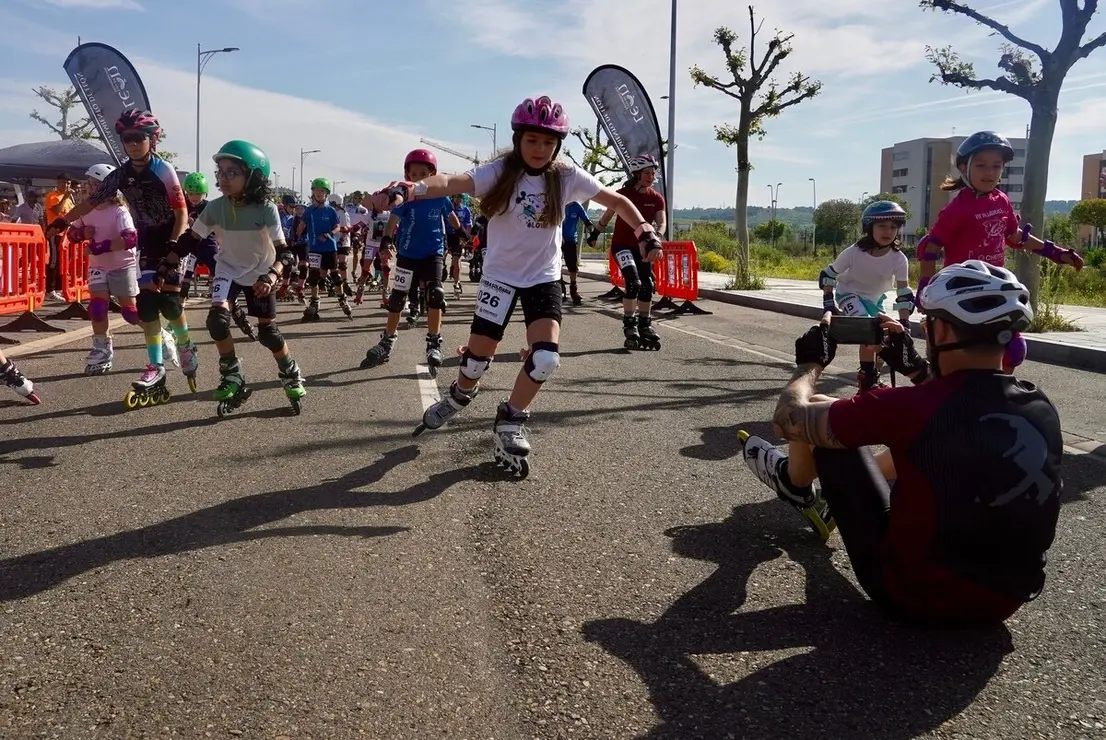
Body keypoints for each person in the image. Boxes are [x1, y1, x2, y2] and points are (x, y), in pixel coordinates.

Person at [742, 260, 1063, 627]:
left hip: (912, 595)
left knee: (817, 412)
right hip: (1005, 601)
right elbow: (955, 410)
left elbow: (788, 420)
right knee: (927, 444)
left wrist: (810, 364)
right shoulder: (1040, 406)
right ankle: (798, 485)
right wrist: (914, 370)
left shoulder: (909, 408)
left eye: (927, 325)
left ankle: (795, 484)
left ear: (940, 332)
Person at [371, 94, 664, 477]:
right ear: (518, 139)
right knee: (475, 362)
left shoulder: (566, 175)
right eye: (532, 141)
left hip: (543, 278)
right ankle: (461, 394)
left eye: (548, 142)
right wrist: (414, 189)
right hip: (500, 278)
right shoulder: (501, 172)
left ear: (558, 144)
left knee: (545, 358)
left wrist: (644, 230)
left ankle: (510, 419)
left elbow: (618, 201)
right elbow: (452, 181)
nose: (540, 149)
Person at [50, 110, 197, 403]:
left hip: (173, 238)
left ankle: (185, 343)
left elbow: (181, 214)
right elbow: (91, 203)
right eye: (126, 139)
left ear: (153, 139)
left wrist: (173, 244)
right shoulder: (121, 174)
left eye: (138, 138)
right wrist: (64, 221)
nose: (131, 144)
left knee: (168, 303)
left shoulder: (163, 170)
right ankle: (155, 365)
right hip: (147, 242)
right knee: (145, 305)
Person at [917, 131, 1083, 372]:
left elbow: (1015, 237)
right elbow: (930, 247)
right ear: (964, 168)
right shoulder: (957, 208)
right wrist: (925, 286)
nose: (990, 172)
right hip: (962, 291)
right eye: (982, 165)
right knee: (958, 354)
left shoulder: (1001, 200)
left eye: (997, 166)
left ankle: (999, 393)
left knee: (1013, 350)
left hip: (995, 288)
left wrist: (1056, 253)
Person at [181, 140, 306, 416]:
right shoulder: (213, 207)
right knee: (216, 321)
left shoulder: (266, 207)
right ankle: (232, 374)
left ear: (253, 177)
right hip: (227, 269)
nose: (223, 179)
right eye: (220, 172)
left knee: (268, 334)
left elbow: (285, 253)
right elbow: (191, 239)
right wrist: (166, 264)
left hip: (261, 272)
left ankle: (289, 370)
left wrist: (273, 275)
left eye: (231, 173)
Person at [361, 149, 465, 374]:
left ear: (432, 175)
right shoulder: (406, 199)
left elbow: (451, 216)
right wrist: (387, 240)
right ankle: (387, 341)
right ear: (407, 176)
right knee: (397, 299)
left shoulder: (440, 197)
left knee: (435, 294)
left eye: (423, 173)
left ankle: (434, 341)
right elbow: (393, 220)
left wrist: (463, 232)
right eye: (413, 174)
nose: (417, 178)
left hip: (432, 253)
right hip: (407, 253)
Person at [819, 200, 913, 392]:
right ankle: (866, 379)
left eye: (893, 227)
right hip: (848, 294)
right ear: (869, 228)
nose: (888, 231)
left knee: (883, 337)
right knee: (868, 329)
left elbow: (903, 293)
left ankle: (874, 376)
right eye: (882, 226)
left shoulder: (899, 259)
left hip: (874, 299)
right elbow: (828, 275)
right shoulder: (854, 253)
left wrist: (905, 322)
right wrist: (828, 303)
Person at [587, 153, 667, 350]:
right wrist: (595, 233)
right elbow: (607, 216)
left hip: (643, 247)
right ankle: (630, 325)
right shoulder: (623, 194)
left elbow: (662, 222)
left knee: (647, 284)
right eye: (646, 173)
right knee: (633, 282)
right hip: (622, 246)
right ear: (637, 174)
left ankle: (645, 324)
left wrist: (655, 237)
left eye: (653, 173)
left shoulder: (656, 198)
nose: (651, 176)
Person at [68, 163, 141, 375]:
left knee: (130, 313)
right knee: (98, 308)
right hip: (98, 266)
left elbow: (130, 239)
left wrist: (101, 246)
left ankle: (160, 335)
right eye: (89, 183)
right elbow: (71, 234)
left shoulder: (119, 211)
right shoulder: (86, 211)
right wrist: (81, 234)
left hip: (122, 264)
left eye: (96, 184)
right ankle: (102, 349)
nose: (90, 188)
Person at [297, 178, 343, 321]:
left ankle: (342, 297)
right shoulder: (309, 210)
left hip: (329, 246)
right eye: (316, 190)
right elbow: (302, 224)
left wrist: (329, 234)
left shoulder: (331, 210)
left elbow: (338, 227)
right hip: (315, 247)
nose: (318, 193)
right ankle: (315, 301)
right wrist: (297, 233)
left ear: (326, 194)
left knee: (335, 274)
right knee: (314, 276)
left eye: (321, 191)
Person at [44, 173, 75, 301]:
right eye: (63, 182)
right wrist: (64, 198)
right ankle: (49, 289)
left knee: (63, 262)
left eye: (68, 183)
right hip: (55, 233)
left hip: (66, 236)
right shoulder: (52, 196)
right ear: (57, 182)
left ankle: (58, 288)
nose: (66, 185)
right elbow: (57, 211)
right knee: (54, 261)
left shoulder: (69, 198)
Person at [560, 200, 592, 305]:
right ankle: (560, 289)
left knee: (572, 267)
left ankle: (573, 290)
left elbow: (587, 221)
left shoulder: (577, 206)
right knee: (555, 265)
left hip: (570, 241)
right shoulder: (558, 202)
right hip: (556, 240)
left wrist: (592, 234)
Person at [445, 193, 473, 295]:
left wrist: (466, 239)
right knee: (441, 257)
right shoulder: (447, 207)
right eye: (457, 196)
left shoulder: (465, 210)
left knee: (456, 260)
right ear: (453, 197)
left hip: (458, 237)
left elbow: (468, 225)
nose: (458, 199)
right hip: (447, 236)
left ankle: (456, 282)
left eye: (461, 197)